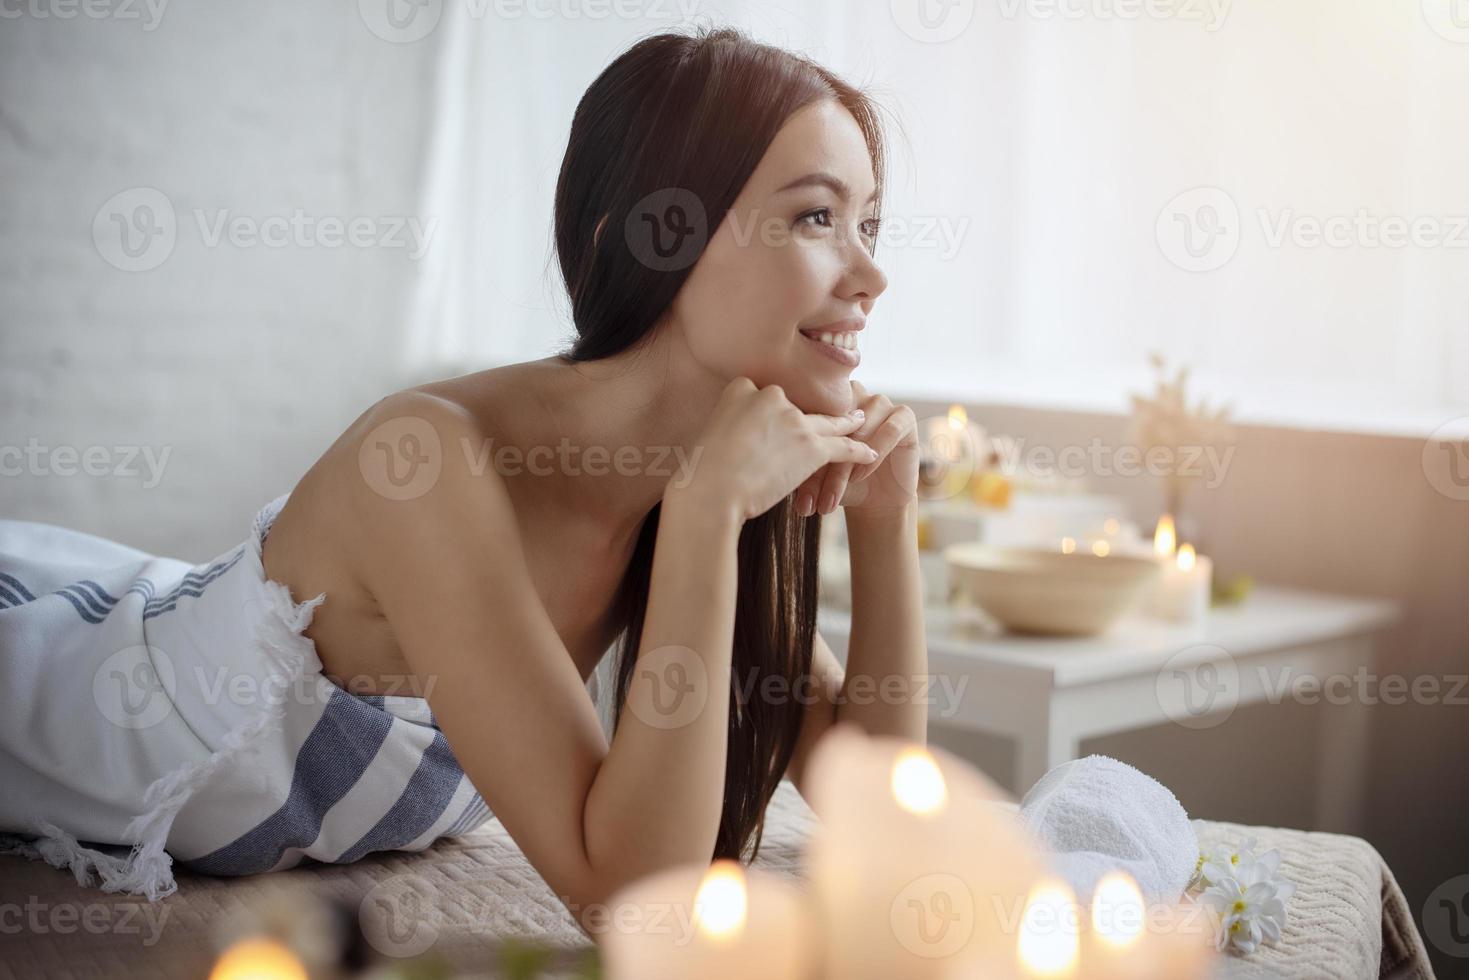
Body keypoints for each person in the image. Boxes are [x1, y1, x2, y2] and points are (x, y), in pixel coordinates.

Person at [0, 26, 929, 921]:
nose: (871, 276)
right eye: (816, 217)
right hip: (59, 690)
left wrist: (884, 526)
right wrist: (702, 514)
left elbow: (878, 815)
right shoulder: (429, 461)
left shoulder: (682, 487)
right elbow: (634, 905)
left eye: (868, 223)